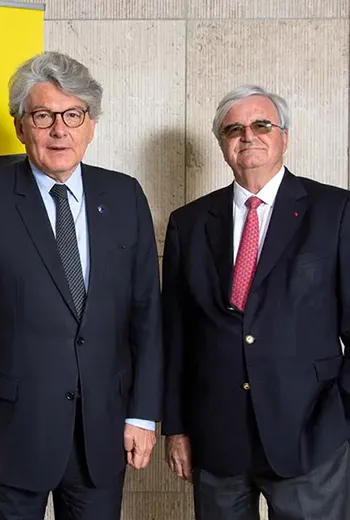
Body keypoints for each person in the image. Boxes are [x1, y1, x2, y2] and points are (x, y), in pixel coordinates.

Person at [0, 51, 163, 520]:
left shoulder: (125, 196)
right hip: (4, 441)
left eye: (73, 115)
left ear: (91, 124)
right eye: (43, 115)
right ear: (21, 126)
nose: (60, 130)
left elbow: (147, 316)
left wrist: (142, 413)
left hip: (100, 439)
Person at [162, 85, 350, 519]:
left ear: (284, 136)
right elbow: (176, 336)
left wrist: (340, 418)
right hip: (217, 441)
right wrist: (177, 428)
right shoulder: (188, 223)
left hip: (310, 438)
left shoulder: (334, 211)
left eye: (261, 124)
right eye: (234, 129)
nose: (248, 135)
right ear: (223, 145)